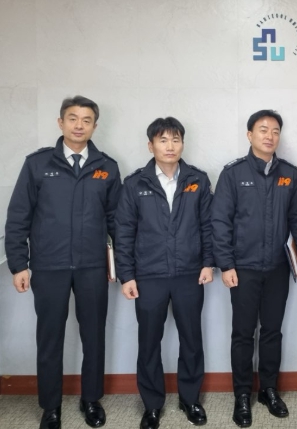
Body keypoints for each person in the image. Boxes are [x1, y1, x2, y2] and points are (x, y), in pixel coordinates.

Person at [5, 96, 121, 429]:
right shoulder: (37, 164)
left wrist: (122, 267)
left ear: (95, 126)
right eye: (72, 118)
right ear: (61, 122)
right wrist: (19, 264)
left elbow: (118, 221)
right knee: (50, 338)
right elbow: (18, 217)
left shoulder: (107, 167)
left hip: (92, 267)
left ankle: (91, 400)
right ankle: (50, 406)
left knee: (94, 336)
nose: (79, 125)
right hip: (49, 267)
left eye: (86, 120)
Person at [114, 117, 213, 429]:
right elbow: (124, 232)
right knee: (148, 342)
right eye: (163, 140)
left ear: (182, 143)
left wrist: (208, 262)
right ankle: (152, 405)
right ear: (151, 145)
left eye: (175, 139)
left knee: (191, 339)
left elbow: (208, 225)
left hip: (189, 274)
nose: (170, 146)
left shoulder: (198, 180)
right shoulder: (135, 184)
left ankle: (190, 399)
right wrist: (127, 275)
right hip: (149, 275)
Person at [211, 110, 297, 428]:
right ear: (250, 135)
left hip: (278, 267)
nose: (270, 136)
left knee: (272, 331)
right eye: (263, 130)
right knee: (242, 333)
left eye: (275, 131)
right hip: (243, 268)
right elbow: (220, 221)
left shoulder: (289, 173)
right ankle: (242, 394)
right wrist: (226, 264)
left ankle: (268, 390)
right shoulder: (233, 173)